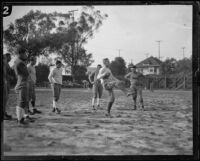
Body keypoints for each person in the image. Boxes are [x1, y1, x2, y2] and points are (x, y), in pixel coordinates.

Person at [13, 45, 34, 125]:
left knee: (22, 101)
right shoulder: (20, 63)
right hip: (22, 84)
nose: (26, 55)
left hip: (22, 83)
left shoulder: (18, 61)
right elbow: (26, 74)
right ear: (20, 53)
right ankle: (20, 120)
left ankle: (21, 118)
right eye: (24, 53)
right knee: (21, 102)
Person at [3, 53, 13, 120]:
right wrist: (9, 77)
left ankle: (4, 112)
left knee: (5, 99)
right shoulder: (4, 63)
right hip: (5, 83)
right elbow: (5, 74)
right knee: (4, 99)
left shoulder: (7, 64)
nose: (10, 58)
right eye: (9, 57)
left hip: (7, 83)